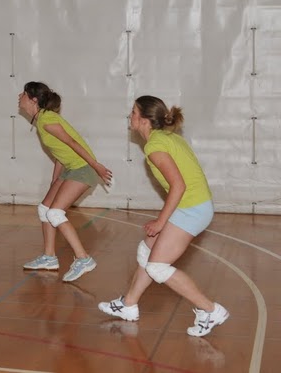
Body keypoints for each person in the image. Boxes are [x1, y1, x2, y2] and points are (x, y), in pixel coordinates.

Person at [99, 96, 228, 337]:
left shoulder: (155, 147)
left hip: (192, 208)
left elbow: (178, 185)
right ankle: (129, 304)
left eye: (133, 112)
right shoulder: (167, 137)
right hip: (192, 204)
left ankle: (210, 310)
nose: (130, 116)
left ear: (144, 120)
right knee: (146, 251)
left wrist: (160, 222)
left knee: (157, 267)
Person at [18, 81, 113, 282]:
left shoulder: (47, 120)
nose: (20, 96)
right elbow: (60, 152)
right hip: (71, 168)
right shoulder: (42, 120)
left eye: (23, 94)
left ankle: (83, 259)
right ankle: (49, 258)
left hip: (83, 168)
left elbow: (72, 143)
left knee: (55, 213)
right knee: (44, 209)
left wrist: (96, 166)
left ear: (33, 100)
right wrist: (55, 181)